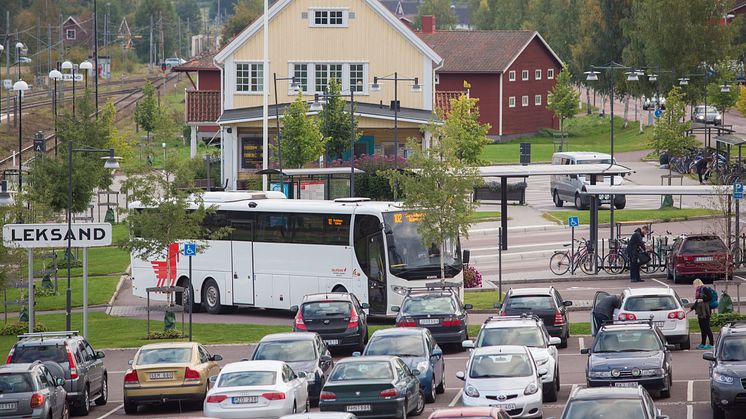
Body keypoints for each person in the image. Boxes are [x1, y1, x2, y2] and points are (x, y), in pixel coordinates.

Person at [689, 278, 714, 349]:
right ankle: (703, 343)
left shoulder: (704, 289)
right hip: (700, 312)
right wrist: (691, 308)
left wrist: (702, 298)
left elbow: (709, 297)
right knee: (702, 328)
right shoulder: (698, 290)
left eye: (694, 284)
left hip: (705, 311)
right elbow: (697, 302)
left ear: (697, 283)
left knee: (707, 328)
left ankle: (711, 344)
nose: (694, 286)